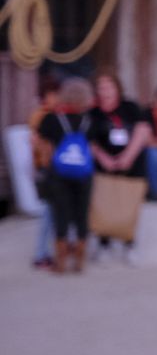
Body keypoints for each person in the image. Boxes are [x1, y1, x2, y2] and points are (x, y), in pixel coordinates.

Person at [87, 70, 150, 261]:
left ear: (117, 88)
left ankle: (129, 243)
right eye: (101, 87)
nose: (105, 91)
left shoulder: (130, 107)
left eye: (109, 87)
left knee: (128, 205)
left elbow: (143, 130)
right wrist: (103, 158)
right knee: (104, 204)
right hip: (104, 165)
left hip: (132, 164)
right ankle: (104, 243)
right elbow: (89, 141)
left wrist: (128, 156)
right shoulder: (93, 113)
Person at [35, 76, 96, 273]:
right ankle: (79, 260)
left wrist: (46, 166)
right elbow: (92, 148)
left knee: (61, 214)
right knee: (82, 214)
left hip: (59, 174)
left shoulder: (52, 119)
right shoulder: (90, 120)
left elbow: (44, 146)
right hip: (84, 174)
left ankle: (60, 262)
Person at [26, 76, 62, 269]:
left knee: (53, 212)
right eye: (53, 94)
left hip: (50, 168)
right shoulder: (40, 116)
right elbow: (38, 145)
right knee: (49, 212)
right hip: (46, 169)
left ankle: (48, 252)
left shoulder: (53, 114)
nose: (56, 98)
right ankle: (42, 253)